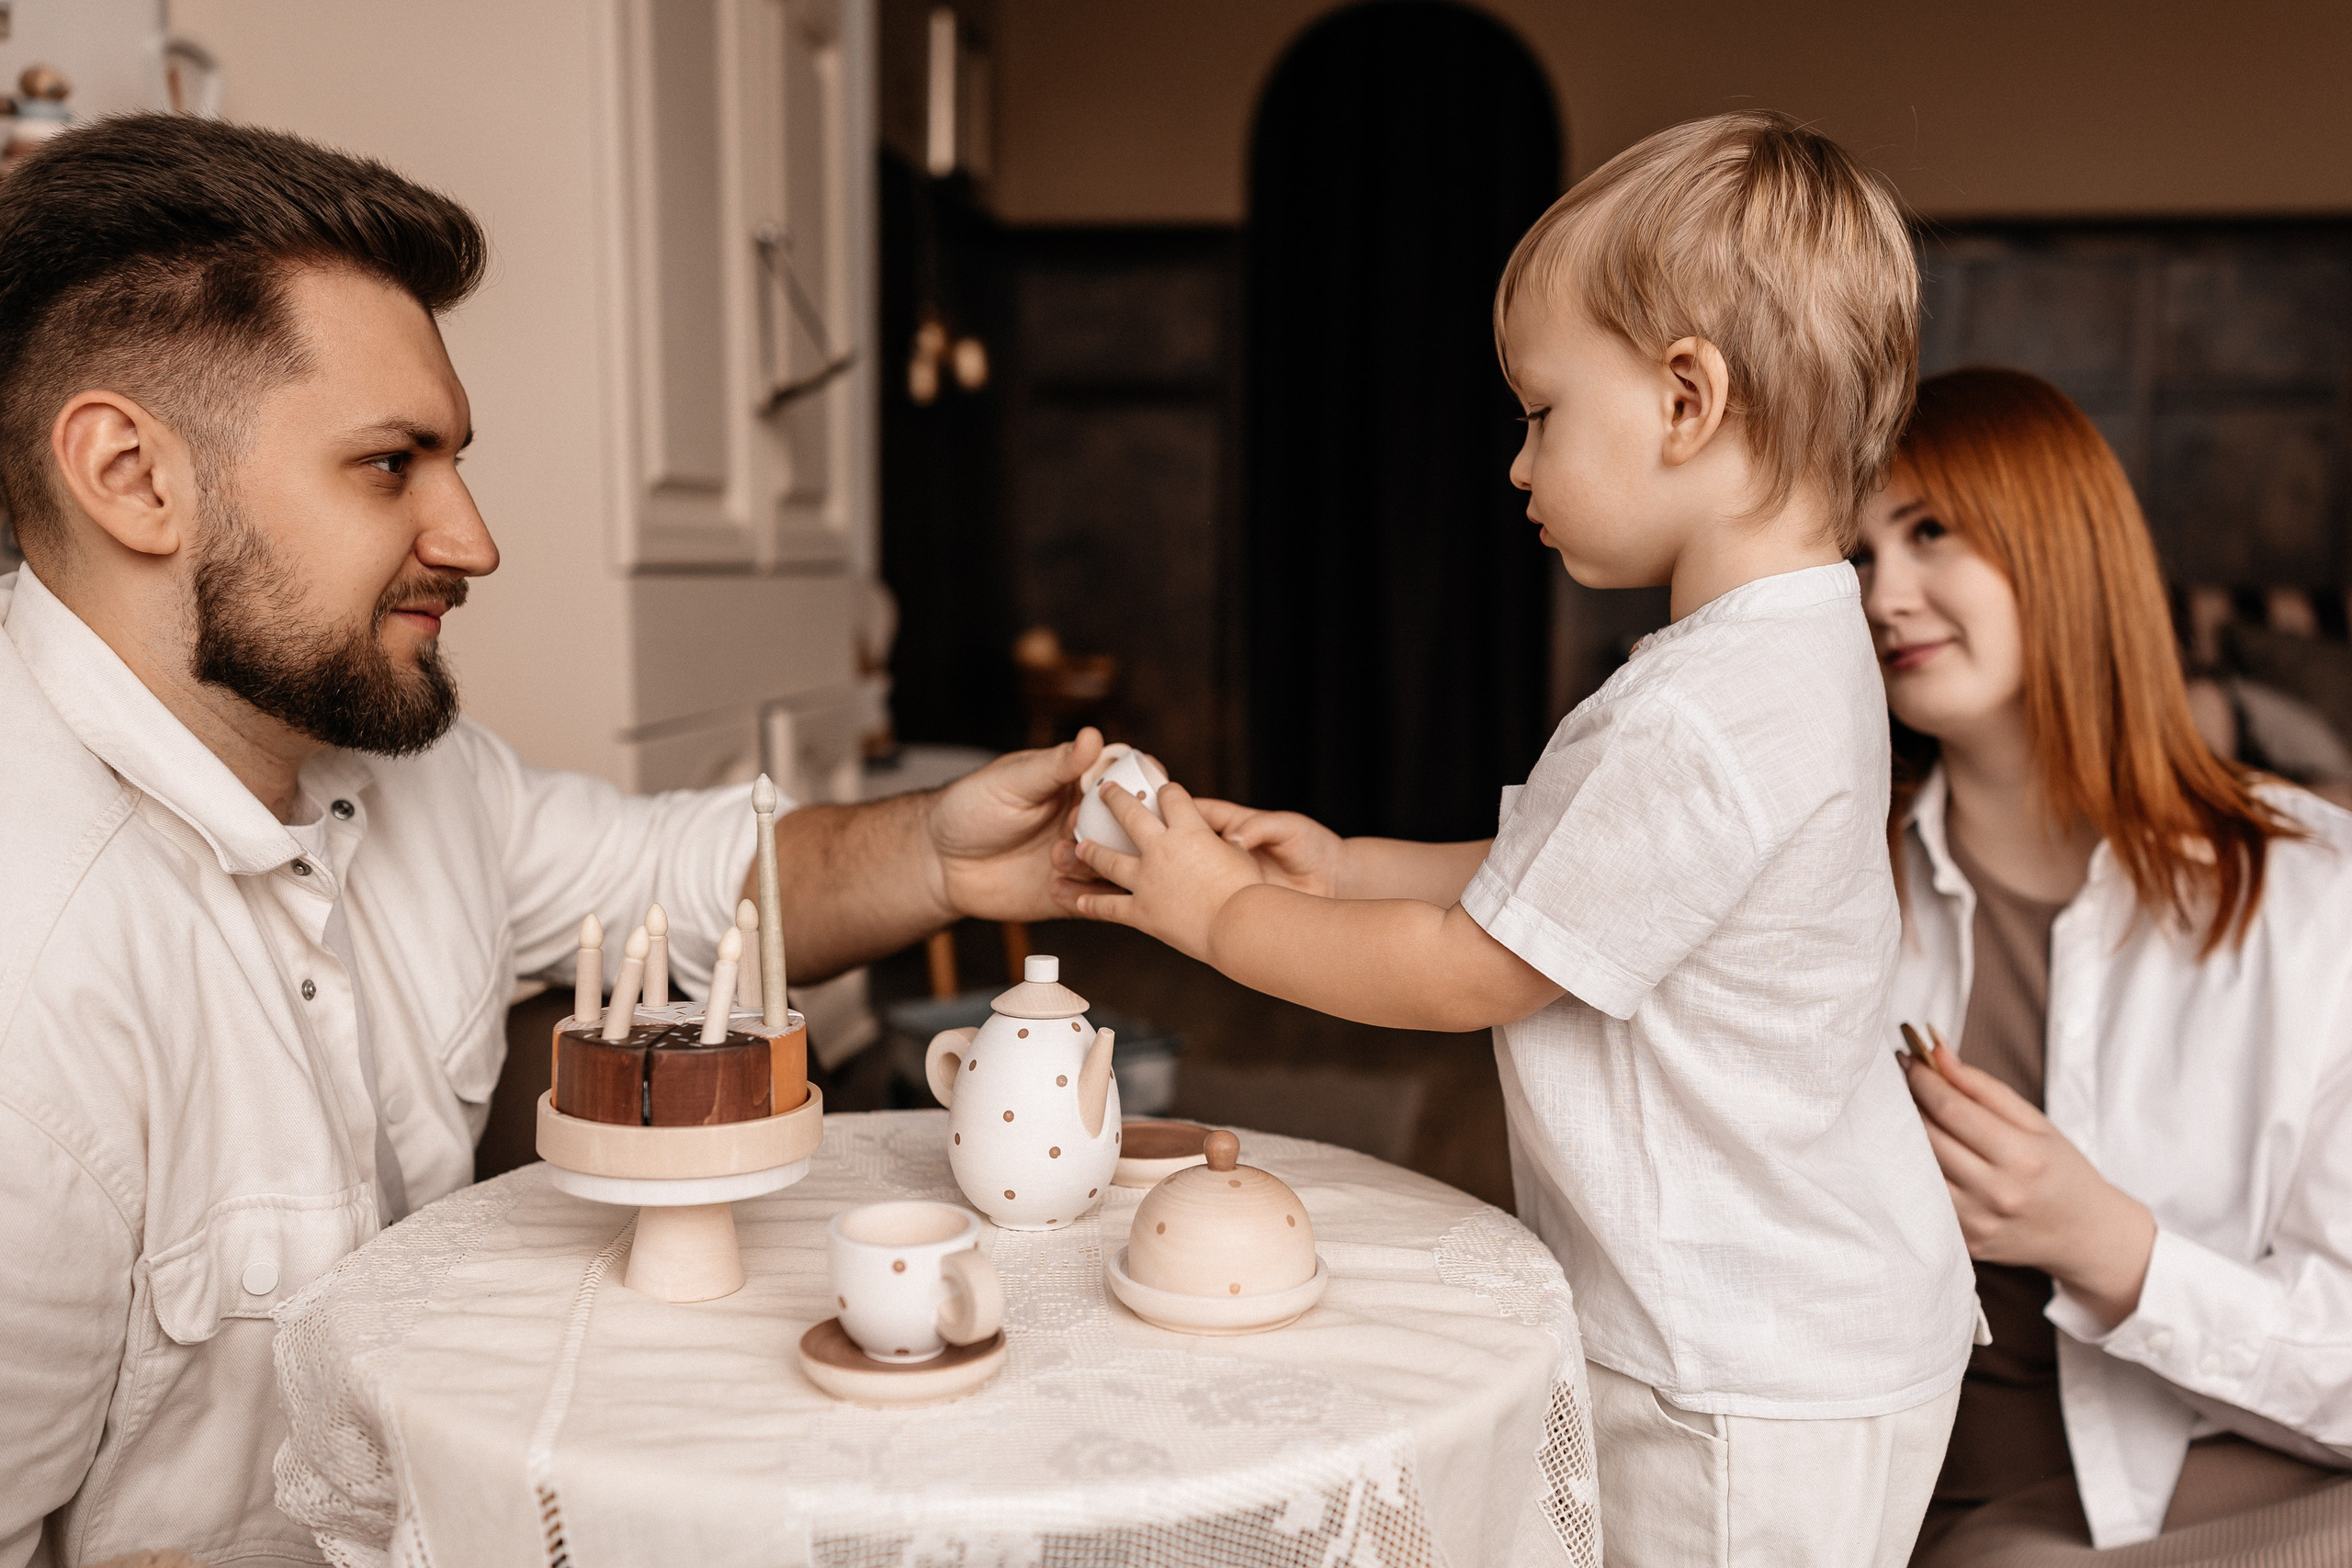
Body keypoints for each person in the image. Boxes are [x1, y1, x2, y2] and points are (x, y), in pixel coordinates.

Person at [0, 116, 1098, 1568]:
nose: (473, 538)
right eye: (392, 465)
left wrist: (949, 860)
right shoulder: (32, 976)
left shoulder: (410, 773)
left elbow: (690, 883)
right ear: (131, 477)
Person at [1057, 112, 1976, 1566]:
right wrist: (1348, 864)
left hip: (1742, 1368)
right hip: (1808, 1324)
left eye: (1543, 412)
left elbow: (1471, 970)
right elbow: (1585, 889)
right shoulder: (1792, 652)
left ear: (1687, 400)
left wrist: (1218, 912)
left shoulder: (1697, 715)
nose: (1515, 464)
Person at [1854, 367, 2352, 1562]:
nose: (1885, 595)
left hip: (2250, 1480)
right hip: (1956, 1508)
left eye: (1930, 533)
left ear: (2061, 547)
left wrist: (2107, 1247)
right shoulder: (1830, 892)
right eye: (1855, 557)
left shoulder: (2309, 895)